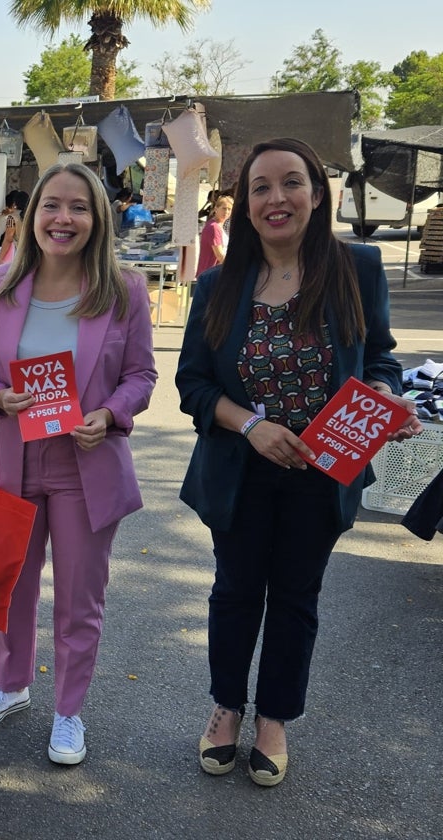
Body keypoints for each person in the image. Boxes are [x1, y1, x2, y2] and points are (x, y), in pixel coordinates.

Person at [176, 138, 422, 787]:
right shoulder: (216, 285)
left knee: (294, 598)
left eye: (291, 183)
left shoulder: (358, 268)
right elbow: (193, 386)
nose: (276, 197)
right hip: (240, 472)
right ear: (246, 205)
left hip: (324, 471)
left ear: (318, 193)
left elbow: (381, 359)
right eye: (261, 187)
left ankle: (275, 719)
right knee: (234, 592)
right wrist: (252, 425)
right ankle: (226, 707)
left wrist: (387, 398)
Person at [0, 162, 157, 766]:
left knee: (79, 597)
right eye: (51, 206)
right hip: (13, 456)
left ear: (97, 219)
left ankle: (68, 711)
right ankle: (11, 684)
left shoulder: (124, 290)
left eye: (78, 207)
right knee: (10, 586)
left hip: (85, 464)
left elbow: (142, 375)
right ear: (32, 213)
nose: (62, 219)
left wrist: (112, 414)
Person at [197, 194, 233, 275]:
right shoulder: (214, 227)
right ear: (216, 209)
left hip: (213, 273)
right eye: (224, 208)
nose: (226, 212)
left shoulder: (217, 225)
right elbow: (220, 256)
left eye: (229, 209)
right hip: (210, 274)